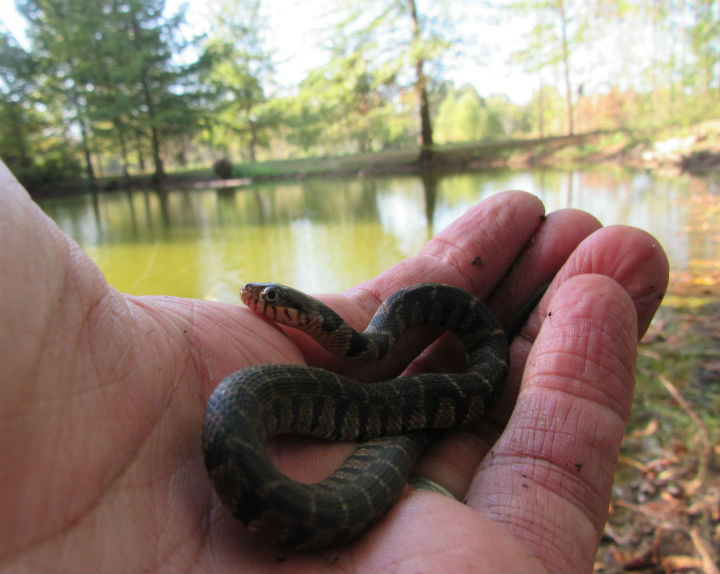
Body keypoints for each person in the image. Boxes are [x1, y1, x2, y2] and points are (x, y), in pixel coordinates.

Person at [0, 159, 668, 572]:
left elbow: (375, 348)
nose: (256, 303)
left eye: (268, 300)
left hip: (417, 378)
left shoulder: (368, 338)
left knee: (445, 383)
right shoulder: (263, 389)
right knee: (274, 399)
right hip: (301, 450)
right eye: (262, 299)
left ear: (305, 318)